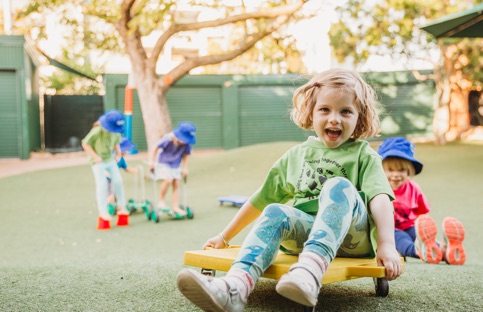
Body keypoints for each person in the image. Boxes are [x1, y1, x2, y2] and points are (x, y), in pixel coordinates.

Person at [176, 68, 402, 311]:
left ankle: (309, 273)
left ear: (360, 117)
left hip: (351, 238)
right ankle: (234, 287)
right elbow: (260, 199)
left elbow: (380, 198)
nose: (334, 118)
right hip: (303, 236)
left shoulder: (363, 155)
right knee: (274, 210)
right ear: (311, 113)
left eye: (345, 111)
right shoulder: (296, 156)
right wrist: (224, 237)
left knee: (337, 185)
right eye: (324, 109)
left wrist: (387, 243)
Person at [377, 137, 466, 265]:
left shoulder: (413, 188)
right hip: (389, 229)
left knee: (421, 237)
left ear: (409, 171)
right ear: (380, 170)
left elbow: (422, 213)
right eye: (390, 170)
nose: (396, 174)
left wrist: (422, 228)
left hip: (409, 226)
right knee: (402, 240)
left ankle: (446, 251)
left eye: (401, 170)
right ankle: (419, 250)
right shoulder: (379, 188)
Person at [82, 110, 129, 229]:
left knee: (118, 181)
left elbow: (116, 143)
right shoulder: (97, 131)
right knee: (102, 184)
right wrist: (95, 156)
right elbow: (85, 143)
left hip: (110, 159)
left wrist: (118, 154)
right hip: (98, 162)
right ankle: (103, 212)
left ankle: (121, 207)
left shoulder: (116, 132)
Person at [149, 121, 196, 217]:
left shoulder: (187, 144)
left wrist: (185, 168)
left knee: (176, 183)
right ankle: (161, 201)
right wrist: (151, 162)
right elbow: (155, 148)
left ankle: (175, 207)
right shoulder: (168, 139)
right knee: (168, 180)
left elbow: (186, 155)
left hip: (176, 164)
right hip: (163, 163)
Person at [107, 137, 138, 211]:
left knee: (117, 192)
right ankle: (107, 207)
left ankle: (118, 205)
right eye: (126, 150)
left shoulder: (121, 160)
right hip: (108, 179)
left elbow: (126, 168)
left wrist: (134, 170)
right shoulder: (111, 157)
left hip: (115, 178)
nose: (127, 151)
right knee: (110, 194)